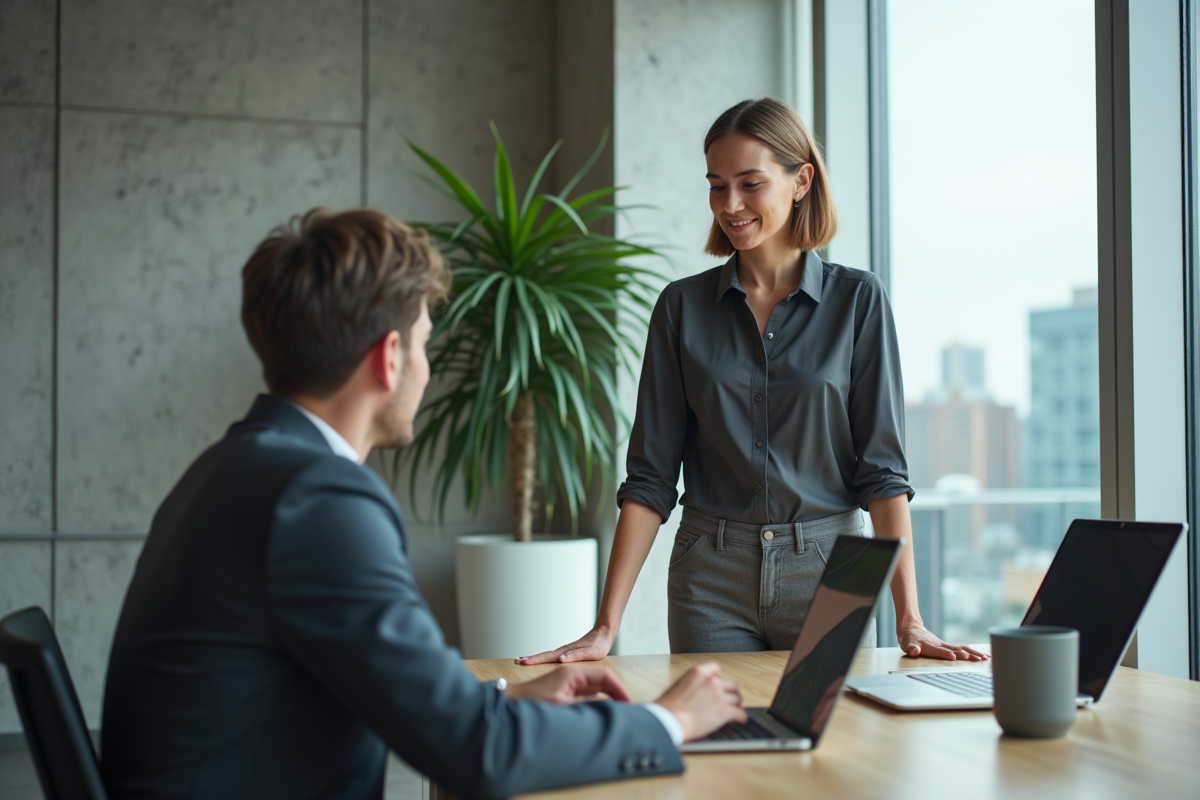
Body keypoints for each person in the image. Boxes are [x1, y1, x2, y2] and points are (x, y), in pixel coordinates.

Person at [100, 209, 747, 800]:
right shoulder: (318, 498)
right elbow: (478, 755)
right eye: (423, 343)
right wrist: (668, 720)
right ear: (388, 358)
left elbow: (374, 686)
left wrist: (503, 696)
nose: (427, 370)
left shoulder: (235, 465)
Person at [519, 98, 987, 667]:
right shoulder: (681, 307)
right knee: (720, 747)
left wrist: (908, 617)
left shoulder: (857, 301)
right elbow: (649, 478)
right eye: (717, 186)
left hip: (831, 569)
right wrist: (603, 627)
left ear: (801, 181)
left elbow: (883, 472)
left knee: (829, 748)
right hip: (708, 577)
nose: (730, 205)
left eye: (749, 183)